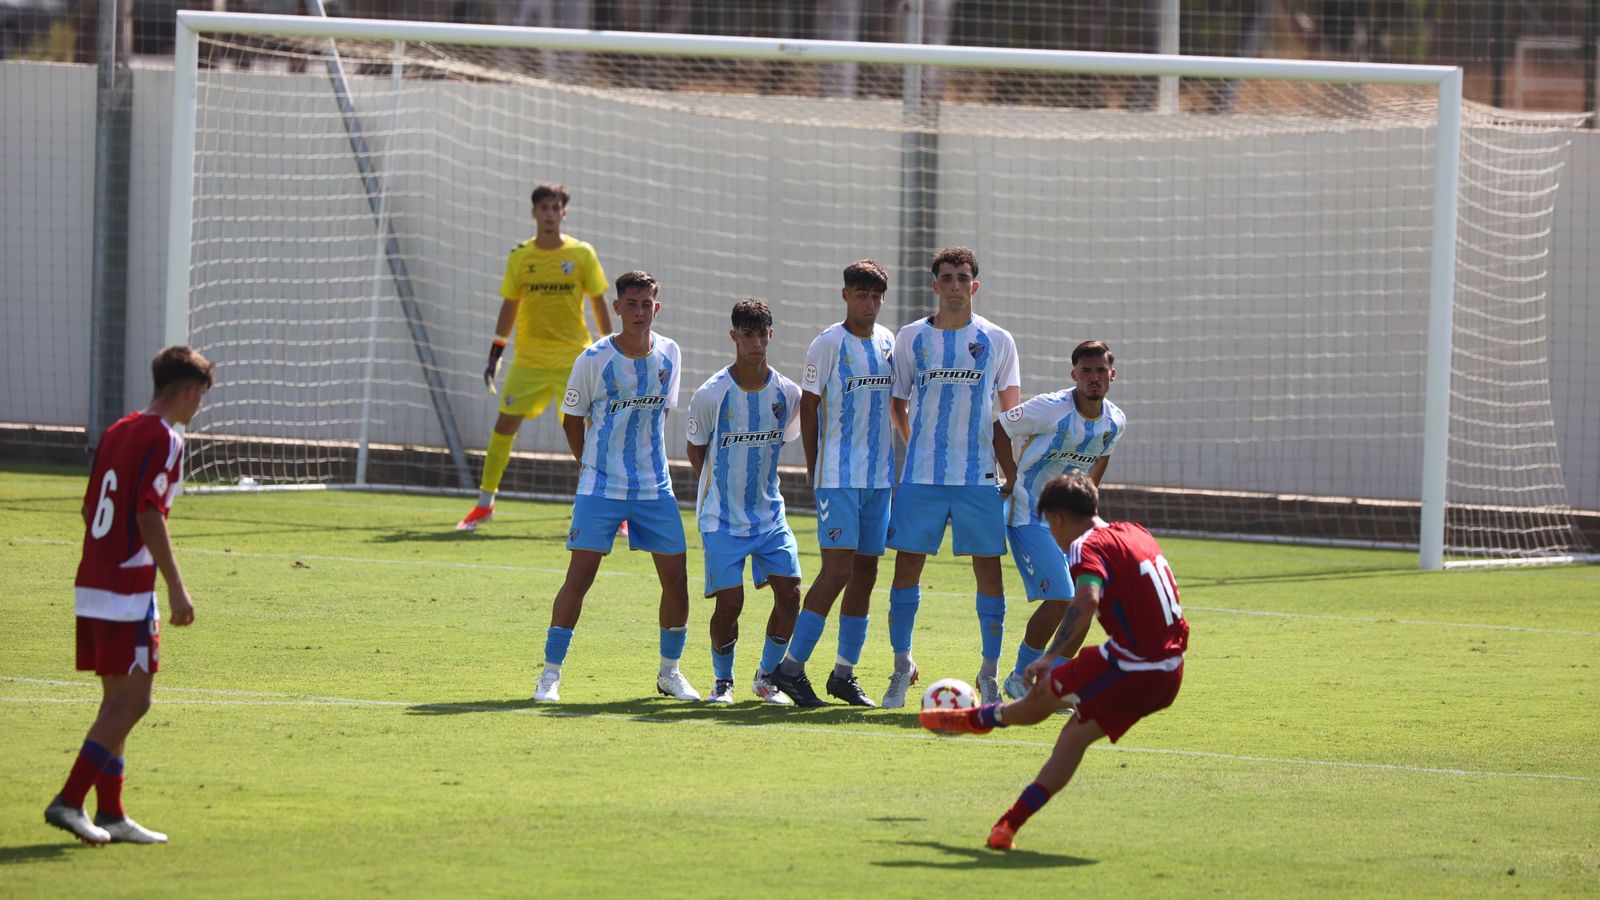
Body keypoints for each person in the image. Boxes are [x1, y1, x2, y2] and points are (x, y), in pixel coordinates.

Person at [920, 471, 1189, 852]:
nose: (1052, 535)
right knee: (1073, 737)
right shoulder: (1135, 532)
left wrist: (1049, 657)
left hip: (1134, 666)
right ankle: (1006, 827)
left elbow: (1087, 599)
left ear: (1059, 518)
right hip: (1168, 666)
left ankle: (968, 720)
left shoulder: (1085, 546)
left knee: (1039, 702)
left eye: (1048, 524)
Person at [44, 345, 215, 846]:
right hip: (127, 589)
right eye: (201, 396)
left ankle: (112, 813)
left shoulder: (119, 429)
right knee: (134, 702)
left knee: (115, 700)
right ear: (189, 392)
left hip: (93, 580)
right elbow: (148, 512)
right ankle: (69, 800)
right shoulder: (166, 439)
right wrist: (177, 586)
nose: (199, 406)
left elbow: (89, 508)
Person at [532, 271, 698, 703]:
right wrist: (589, 465)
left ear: (656, 308)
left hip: (654, 487)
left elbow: (661, 413)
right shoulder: (593, 359)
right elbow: (572, 420)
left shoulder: (670, 353)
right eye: (632, 304)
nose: (640, 312)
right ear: (618, 307)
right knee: (579, 579)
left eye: (647, 304)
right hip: (600, 488)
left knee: (676, 580)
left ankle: (670, 673)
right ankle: (549, 675)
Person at [881, 246, 1021, 708]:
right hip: (921, 477)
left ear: (974, 285)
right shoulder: (911, 337)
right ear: (935, 285)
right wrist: (914, 442)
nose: (956, 285)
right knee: (907, 568)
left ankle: (989, 674)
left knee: (989, 573)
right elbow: (898, 401)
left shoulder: (998, 339)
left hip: (978, 477)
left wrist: (1012, 471)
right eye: (947, 277)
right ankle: (901, 667)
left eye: (963, 277)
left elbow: (1011, 413)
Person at [768, 260, 894, 708]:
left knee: (866, 572)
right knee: (837, 570)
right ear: (845, 296)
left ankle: (843, 673)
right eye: (861, 295)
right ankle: (790, 668)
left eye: (876, 296)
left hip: (879, 477)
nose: (869, 303)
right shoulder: (827, 344)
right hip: (838, 475)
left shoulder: (888, 341)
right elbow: (809, 407)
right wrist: (813, 466)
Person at [458, 183, 611, 531]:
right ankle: (484, 503)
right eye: (544, 208)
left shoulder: (582, 254)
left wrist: (609, 349)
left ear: (563, 214)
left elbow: (598, 302)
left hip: (573, 359)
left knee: (590, 433)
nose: (550, 214)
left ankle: (606, 507)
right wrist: (496, 352)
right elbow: (510, 305)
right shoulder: (520, 256)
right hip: (528, 361)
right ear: (534, 213)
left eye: (556, 208)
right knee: (504, 425)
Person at [685, 299, 805, 705]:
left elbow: (784, 441)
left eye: (762, 335)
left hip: (769, 516)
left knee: (791, 593)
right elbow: (695, 448)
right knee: (730, 604)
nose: (756, 343)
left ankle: (766, 677)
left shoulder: (787, 393)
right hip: (721, 518)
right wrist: (718, 489)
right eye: (747, 335)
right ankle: (723, 681)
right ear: (734, 336)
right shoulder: (711, 394)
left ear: (771, 335)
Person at [996, 340, 1125, 700]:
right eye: (1086, 371)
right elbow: (1000, 428)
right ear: (1074, 375)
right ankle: (1019, 678)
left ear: (1112, 375)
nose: (1094, 377)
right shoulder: (1049, 408)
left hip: (1070, 524)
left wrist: (1088, 502)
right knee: (1062, 598)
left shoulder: (1115, 420)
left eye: (1101, 370)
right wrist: (1011, 478)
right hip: (1029, 512)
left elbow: (1102, 456)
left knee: (1088, 600)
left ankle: (1054, 684)